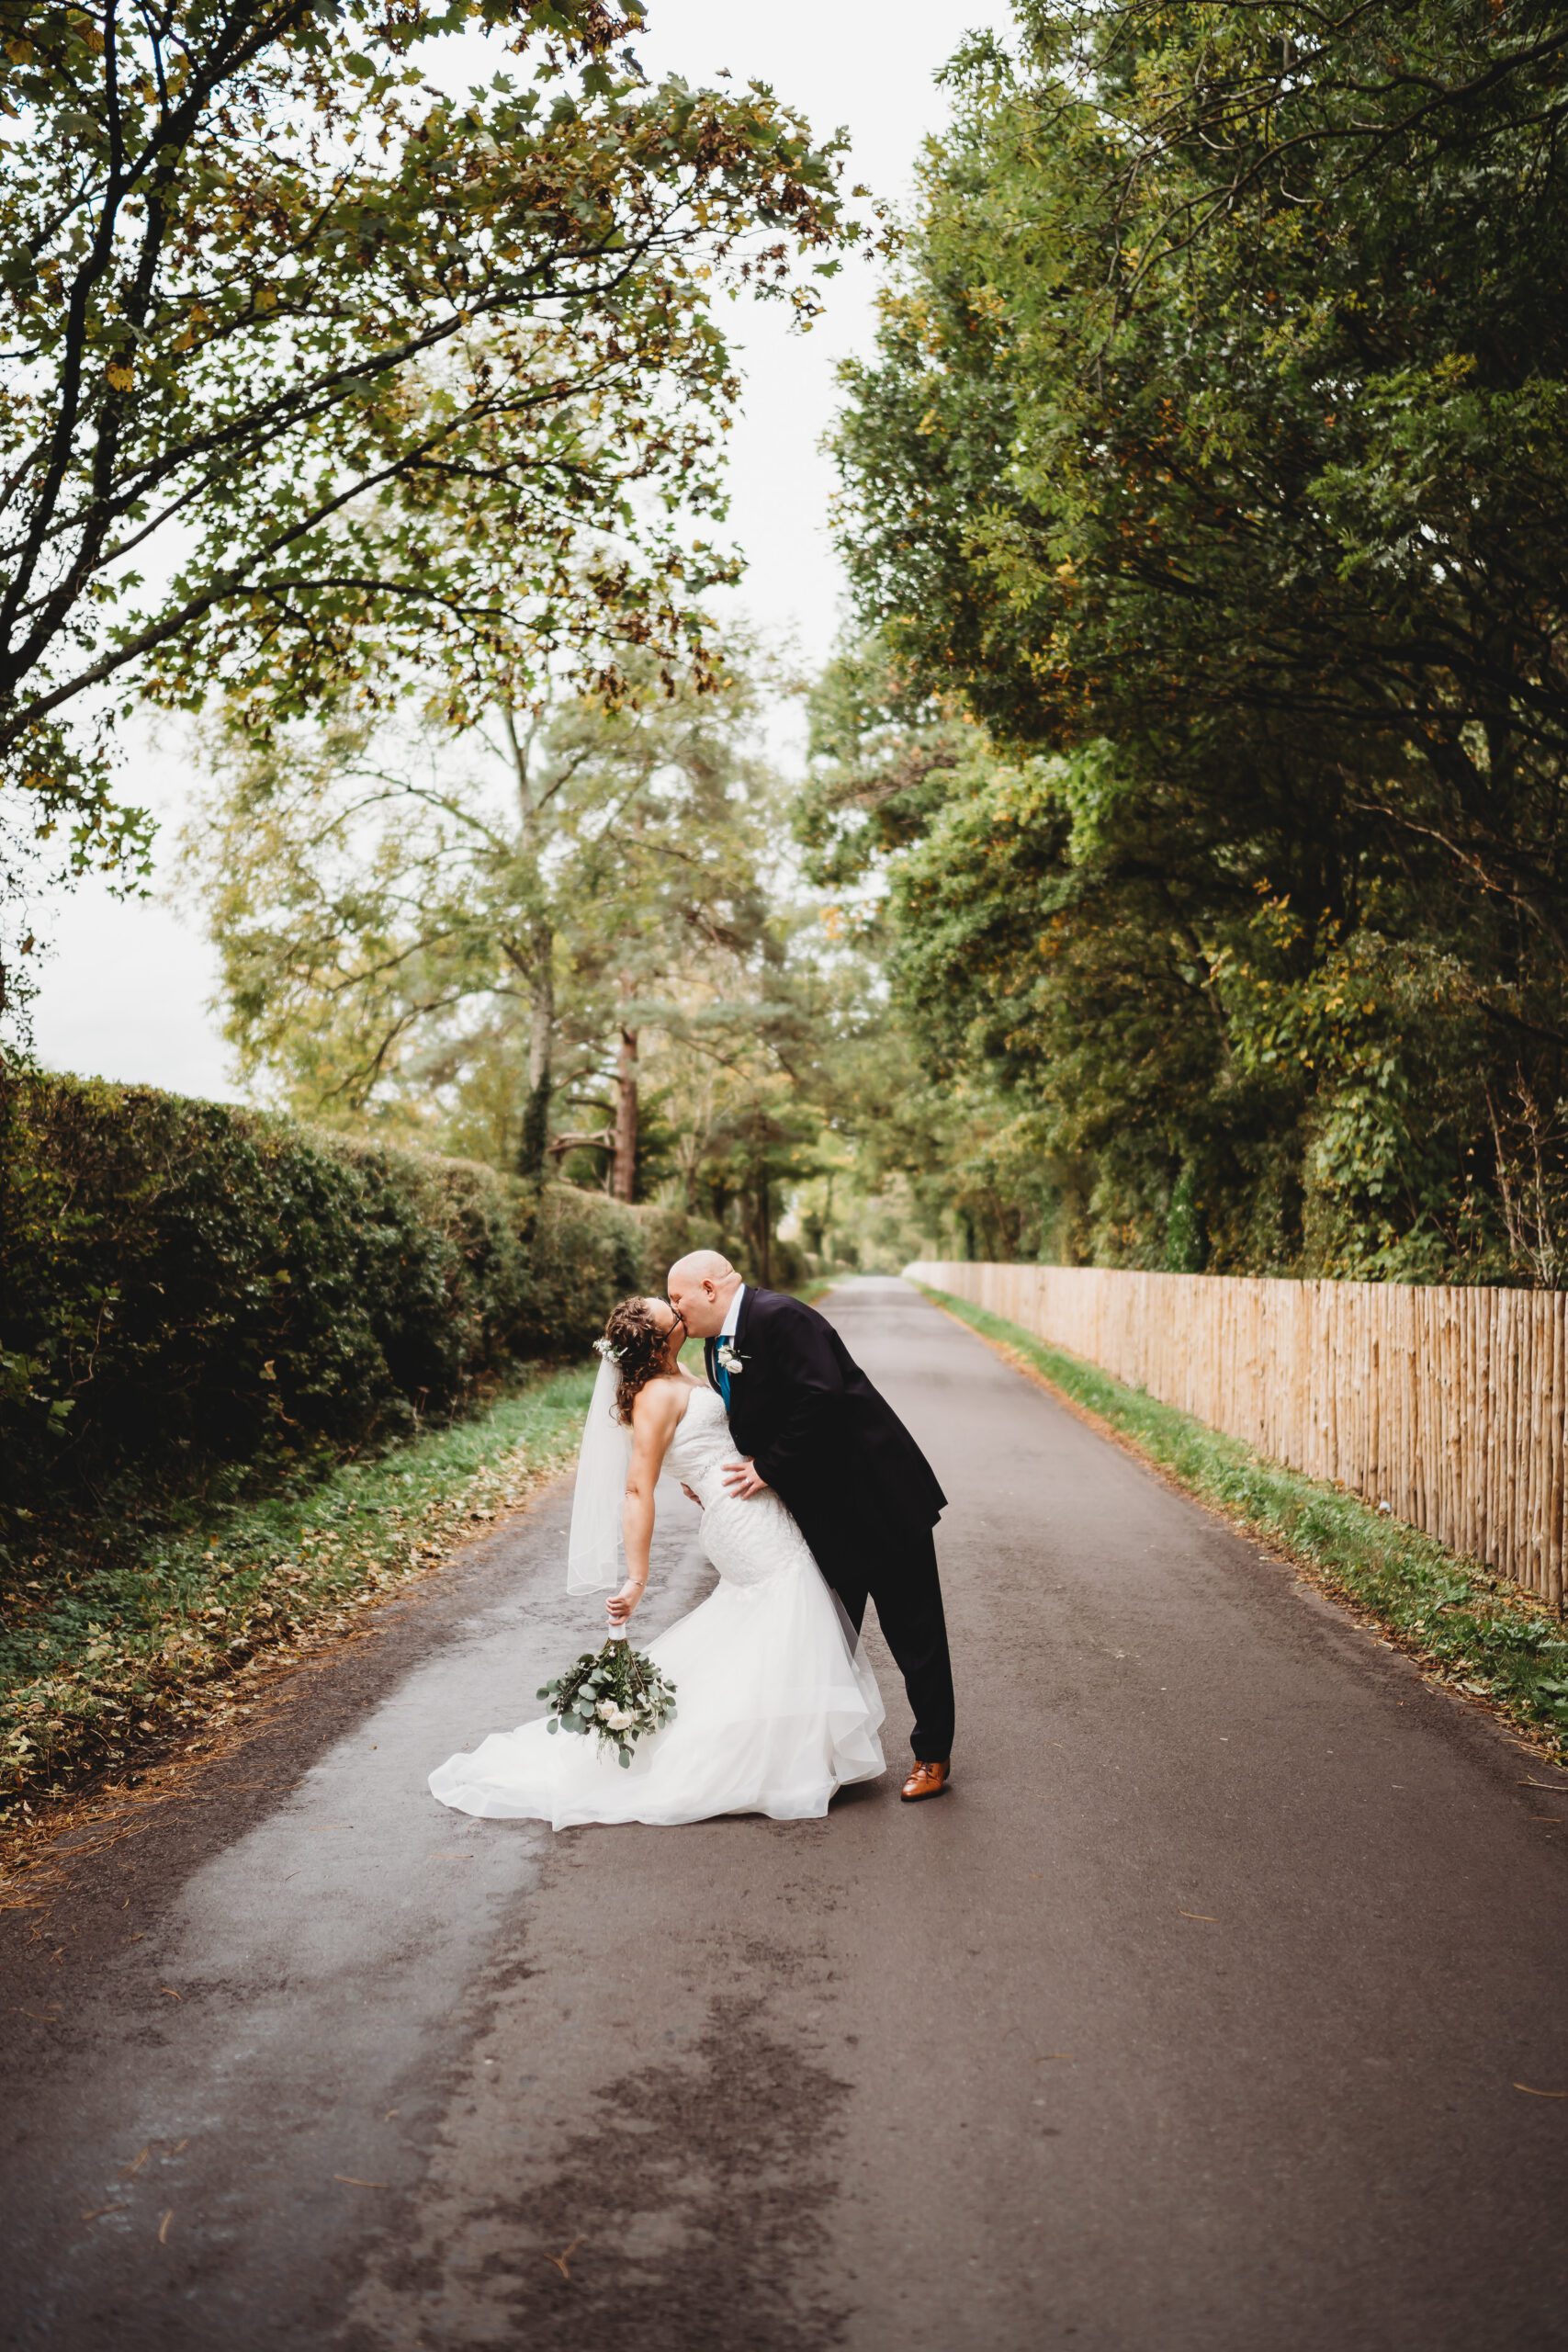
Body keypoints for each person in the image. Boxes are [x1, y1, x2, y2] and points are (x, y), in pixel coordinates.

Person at [428, 1295, 886, 1829]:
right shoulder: (652, 1396)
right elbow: (636, 1489)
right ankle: (776, 1759)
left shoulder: (681, 1372)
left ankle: (791, 1749)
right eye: (665, 1307)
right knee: (789, 1602)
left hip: (750, 1500)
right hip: (741, 1518)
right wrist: (637, 1577)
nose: (674, 1306)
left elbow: (709, 1439)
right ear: (656, 1334)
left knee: (766, 1617)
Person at [665, 1251, 954, 1801]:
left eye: (678, 1299)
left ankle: (933, 1754)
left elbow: (822, 1397)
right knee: (823, 1637)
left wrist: (767, 1468)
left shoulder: (780, 1317)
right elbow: (750, 1420)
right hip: (820, 1515)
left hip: (879, 1499)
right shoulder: (716, 1345)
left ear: (707, 1288)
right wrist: (711, 1477)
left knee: (915, 1635)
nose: (676, 1312)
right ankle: (820, 1754)